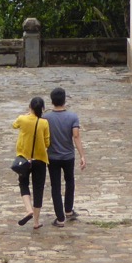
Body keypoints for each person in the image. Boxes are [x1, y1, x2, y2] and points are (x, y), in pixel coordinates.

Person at [45, 86, 86, 227]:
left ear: (52, 101)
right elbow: (76, 136)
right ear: (64, 100)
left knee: (55, 186)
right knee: (70, 181)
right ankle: (68, 209)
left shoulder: (46, 118)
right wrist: (82, 155)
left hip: (52, 156)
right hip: (68, 155)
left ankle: (60, 218)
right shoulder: (72, 117)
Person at [12, 96, 50, 229]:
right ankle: (36, 222)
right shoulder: (44, 123)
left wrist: (27, 115)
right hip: (40, 159)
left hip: (24, 159)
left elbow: (14, 125)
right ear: (42, 108)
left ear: (30, 107)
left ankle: (28, 209)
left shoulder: (23, 119)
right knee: (38, 189)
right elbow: (47, 142)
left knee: (23, 184)